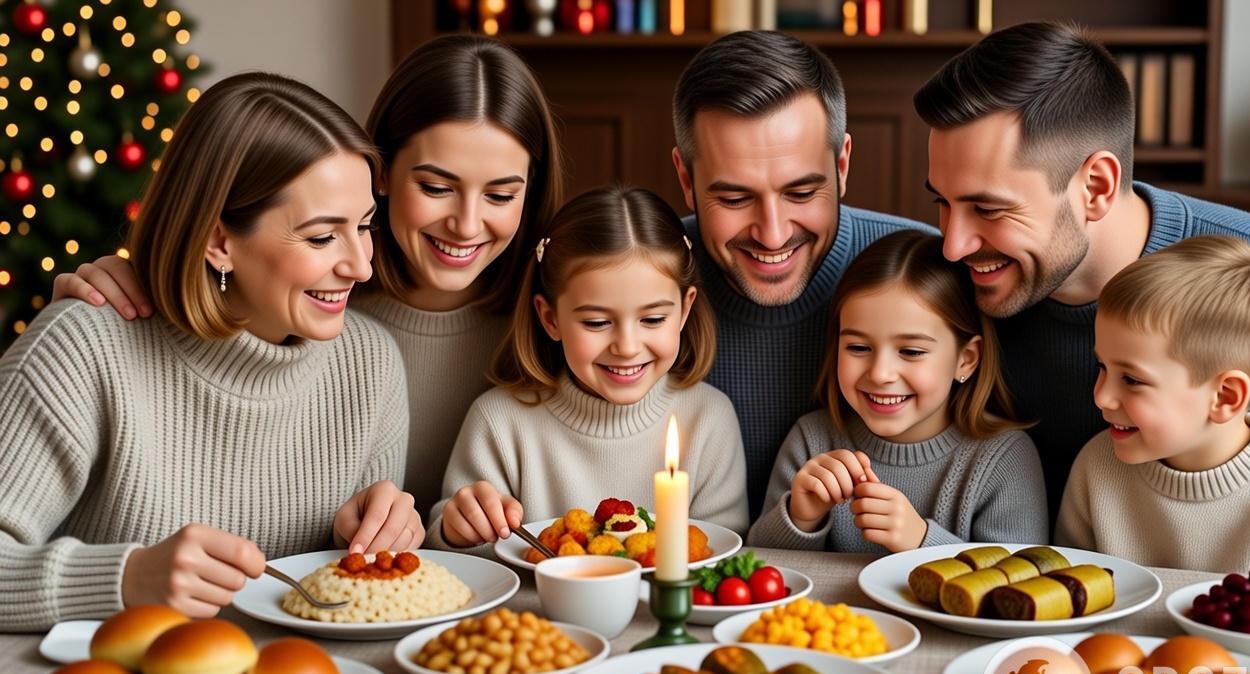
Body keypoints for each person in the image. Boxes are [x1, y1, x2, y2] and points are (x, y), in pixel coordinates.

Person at [50, 35, 564, 514]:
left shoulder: (563, 322)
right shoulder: (312, 302)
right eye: (435, 187)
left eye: (500, 195)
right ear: (379, 173)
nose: (468, 224)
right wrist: (133, 289)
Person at [914, 21, 1250, 570]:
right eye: (942, 203)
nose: (953, 246)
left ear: (1096, 187)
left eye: (989, 209)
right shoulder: (945, 292)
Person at [0, 73, 419, 630]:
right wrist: (127, 579)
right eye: (322, 237)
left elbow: (358, 599)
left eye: (363, 226)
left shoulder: (370, 363)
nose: (361, 266)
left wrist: (381, 531)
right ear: (220, 242)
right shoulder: (82, 347)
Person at [670, 31, 934, 521]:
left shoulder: (930, 274)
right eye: (733, 199)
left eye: (801, 193)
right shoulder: (642, 280)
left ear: (842, 164)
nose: (772, 235)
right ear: (686, 178)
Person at [430, 186, 748, 549]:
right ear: (550, 319)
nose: (627, 347)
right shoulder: (499, 422)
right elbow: (457, 543)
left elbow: (718, 551)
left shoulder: (709, 418)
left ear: (684, 310)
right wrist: (458, 529)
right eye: (597, 323)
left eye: (654, 318)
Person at [1057, 236, 1250, 577]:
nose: (1101, 397)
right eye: (1103, 367)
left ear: (1225, 397)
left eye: (1132, 380)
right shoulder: (1096, 468)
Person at [751, 231, 1046, 553]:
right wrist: (799, 517)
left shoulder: (1004, 458)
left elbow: (1020, 584)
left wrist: (922, 542)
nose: (880, 374)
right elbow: (760, 567)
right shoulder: (813, 440)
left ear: (966, 359)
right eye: (858, 347)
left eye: (911, 352)